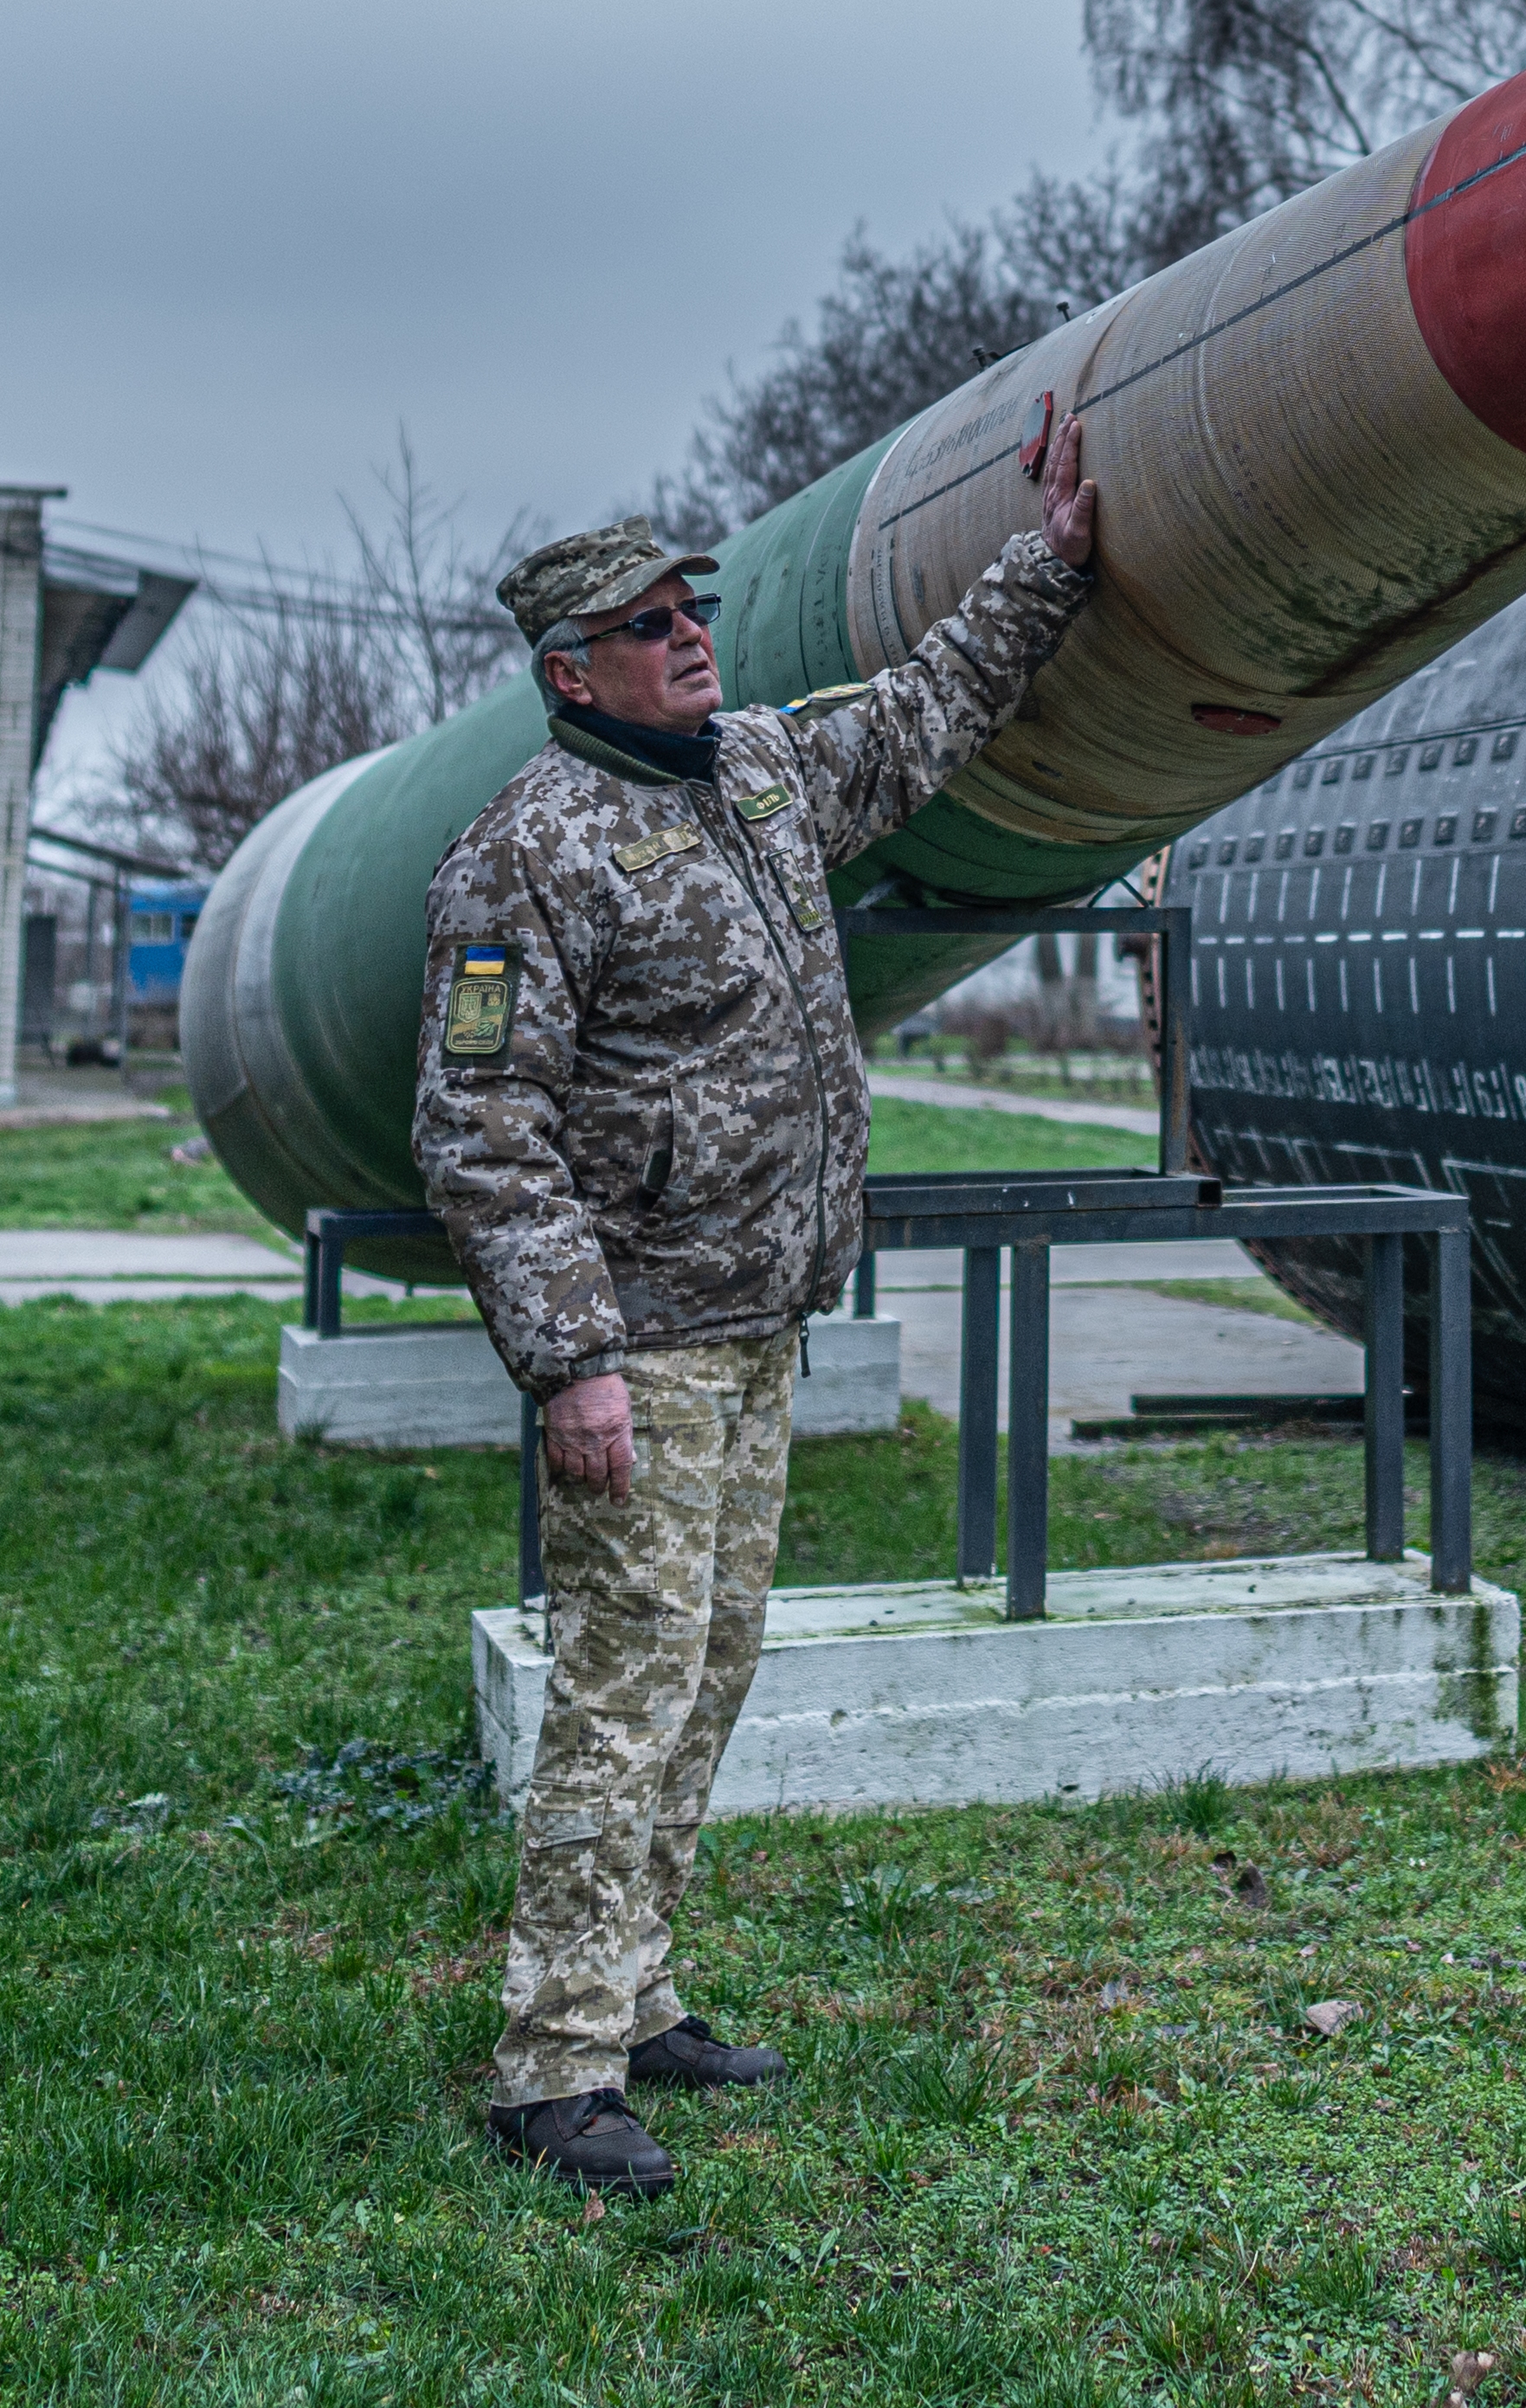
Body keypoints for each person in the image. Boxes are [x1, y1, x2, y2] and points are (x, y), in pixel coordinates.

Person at [415, 417, 1102, 2193]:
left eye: (690, 606)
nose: (688, 634)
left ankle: (637, 1995)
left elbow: (935, 706)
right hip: (640, 1343)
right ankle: (550, 2067)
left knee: (707, 1674)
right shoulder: (527, 852)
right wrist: (569, 1358)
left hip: (760, 1319)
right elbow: (478, 1124)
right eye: (648, 624)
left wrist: (1054, 558)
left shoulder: (766, 770)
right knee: (622, 1689)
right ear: (571, 669)